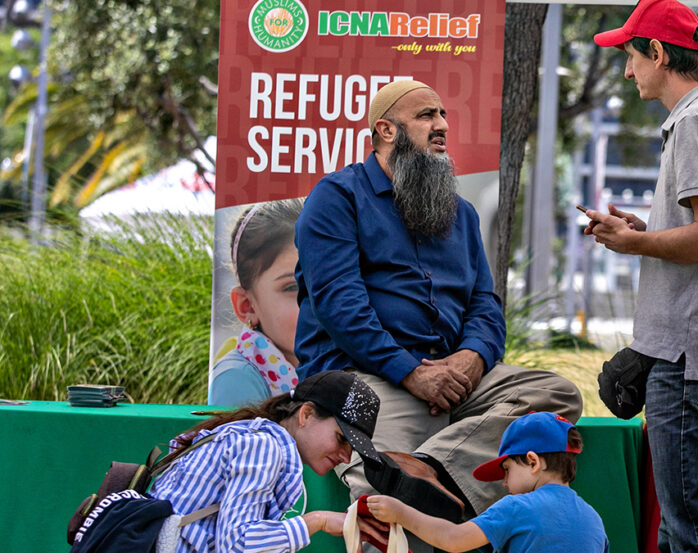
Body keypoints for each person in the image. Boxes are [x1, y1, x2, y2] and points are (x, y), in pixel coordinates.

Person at [293, 79, 582, 551]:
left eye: (443, 114)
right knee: (388, 522)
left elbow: (485, 304)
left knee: (554, 393)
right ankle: (408, 479)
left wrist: (471, 357)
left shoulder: (461, 213)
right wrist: (409, 371)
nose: (442, 125)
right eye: (426, 116)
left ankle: (431, 468)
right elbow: (339, 305)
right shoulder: (337, 198)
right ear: (386, 130)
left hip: (452, 378)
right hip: (368, 379)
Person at [589, 2, 698, 551]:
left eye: (631, 56)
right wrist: (650, 228)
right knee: (679, 526)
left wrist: (635, 241)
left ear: (659, 53)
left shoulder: (694, 123)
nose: (626, 70)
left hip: (688, 361)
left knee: (694, 527)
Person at [150, 370, 387, 552]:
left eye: (352, 448)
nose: (346, 456)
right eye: (341, 439)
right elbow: (237, 546)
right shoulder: (265, 446)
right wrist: (318, 521)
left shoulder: (255, 435)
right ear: (306, 414)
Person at [364, 412, 609, 553]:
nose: (504, 483)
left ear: (533, 462)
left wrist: (401, 513)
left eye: (506, 470)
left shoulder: (517, 507)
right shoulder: (594, 519)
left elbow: (453, 539)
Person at [209, 199, 304, 406]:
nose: (316, 301)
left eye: (329, 282)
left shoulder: (342, 364)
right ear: (247, 306)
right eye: (292, 287)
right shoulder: (237, 378)